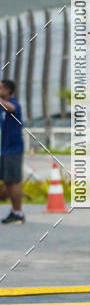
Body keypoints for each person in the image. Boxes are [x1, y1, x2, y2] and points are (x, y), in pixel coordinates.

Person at [0, 79, 25, 225]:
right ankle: (14, 211)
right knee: (8, 181)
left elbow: (11, 108)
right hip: (4, 149)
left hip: (14, 149)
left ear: (8, 91)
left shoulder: (14, 103)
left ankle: (19, 212)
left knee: (14, 181)